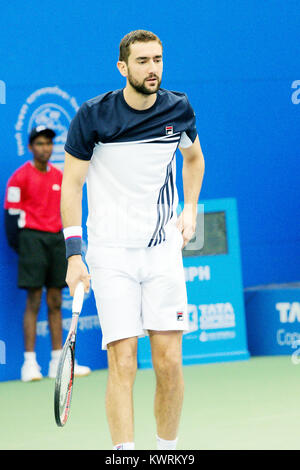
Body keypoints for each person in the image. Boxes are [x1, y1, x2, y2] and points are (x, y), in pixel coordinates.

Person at [61, 30, 205, 450]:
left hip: (162, 252)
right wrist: (74, 255)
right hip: (110, 256)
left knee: (170, 362)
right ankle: (125, 455)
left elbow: (194, 160)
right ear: (123, 67)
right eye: (142, 61)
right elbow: (71, 187)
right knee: (123, 362)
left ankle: (166, 451)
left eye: (157, 59)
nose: (152, 69)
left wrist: (190, 208)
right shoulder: (93, 117)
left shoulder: (179, 109)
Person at [4, 125, 91, 382]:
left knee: (55, 301)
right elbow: (11, 218)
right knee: (33, 301)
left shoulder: (59, 176)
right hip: (31, 240)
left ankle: (57, 362)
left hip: (56, 241)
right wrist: (24, 247)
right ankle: (29, 364)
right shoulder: (19, 177)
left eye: (48, 143)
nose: (45, 148)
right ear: (31, 147)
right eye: (40, 144)